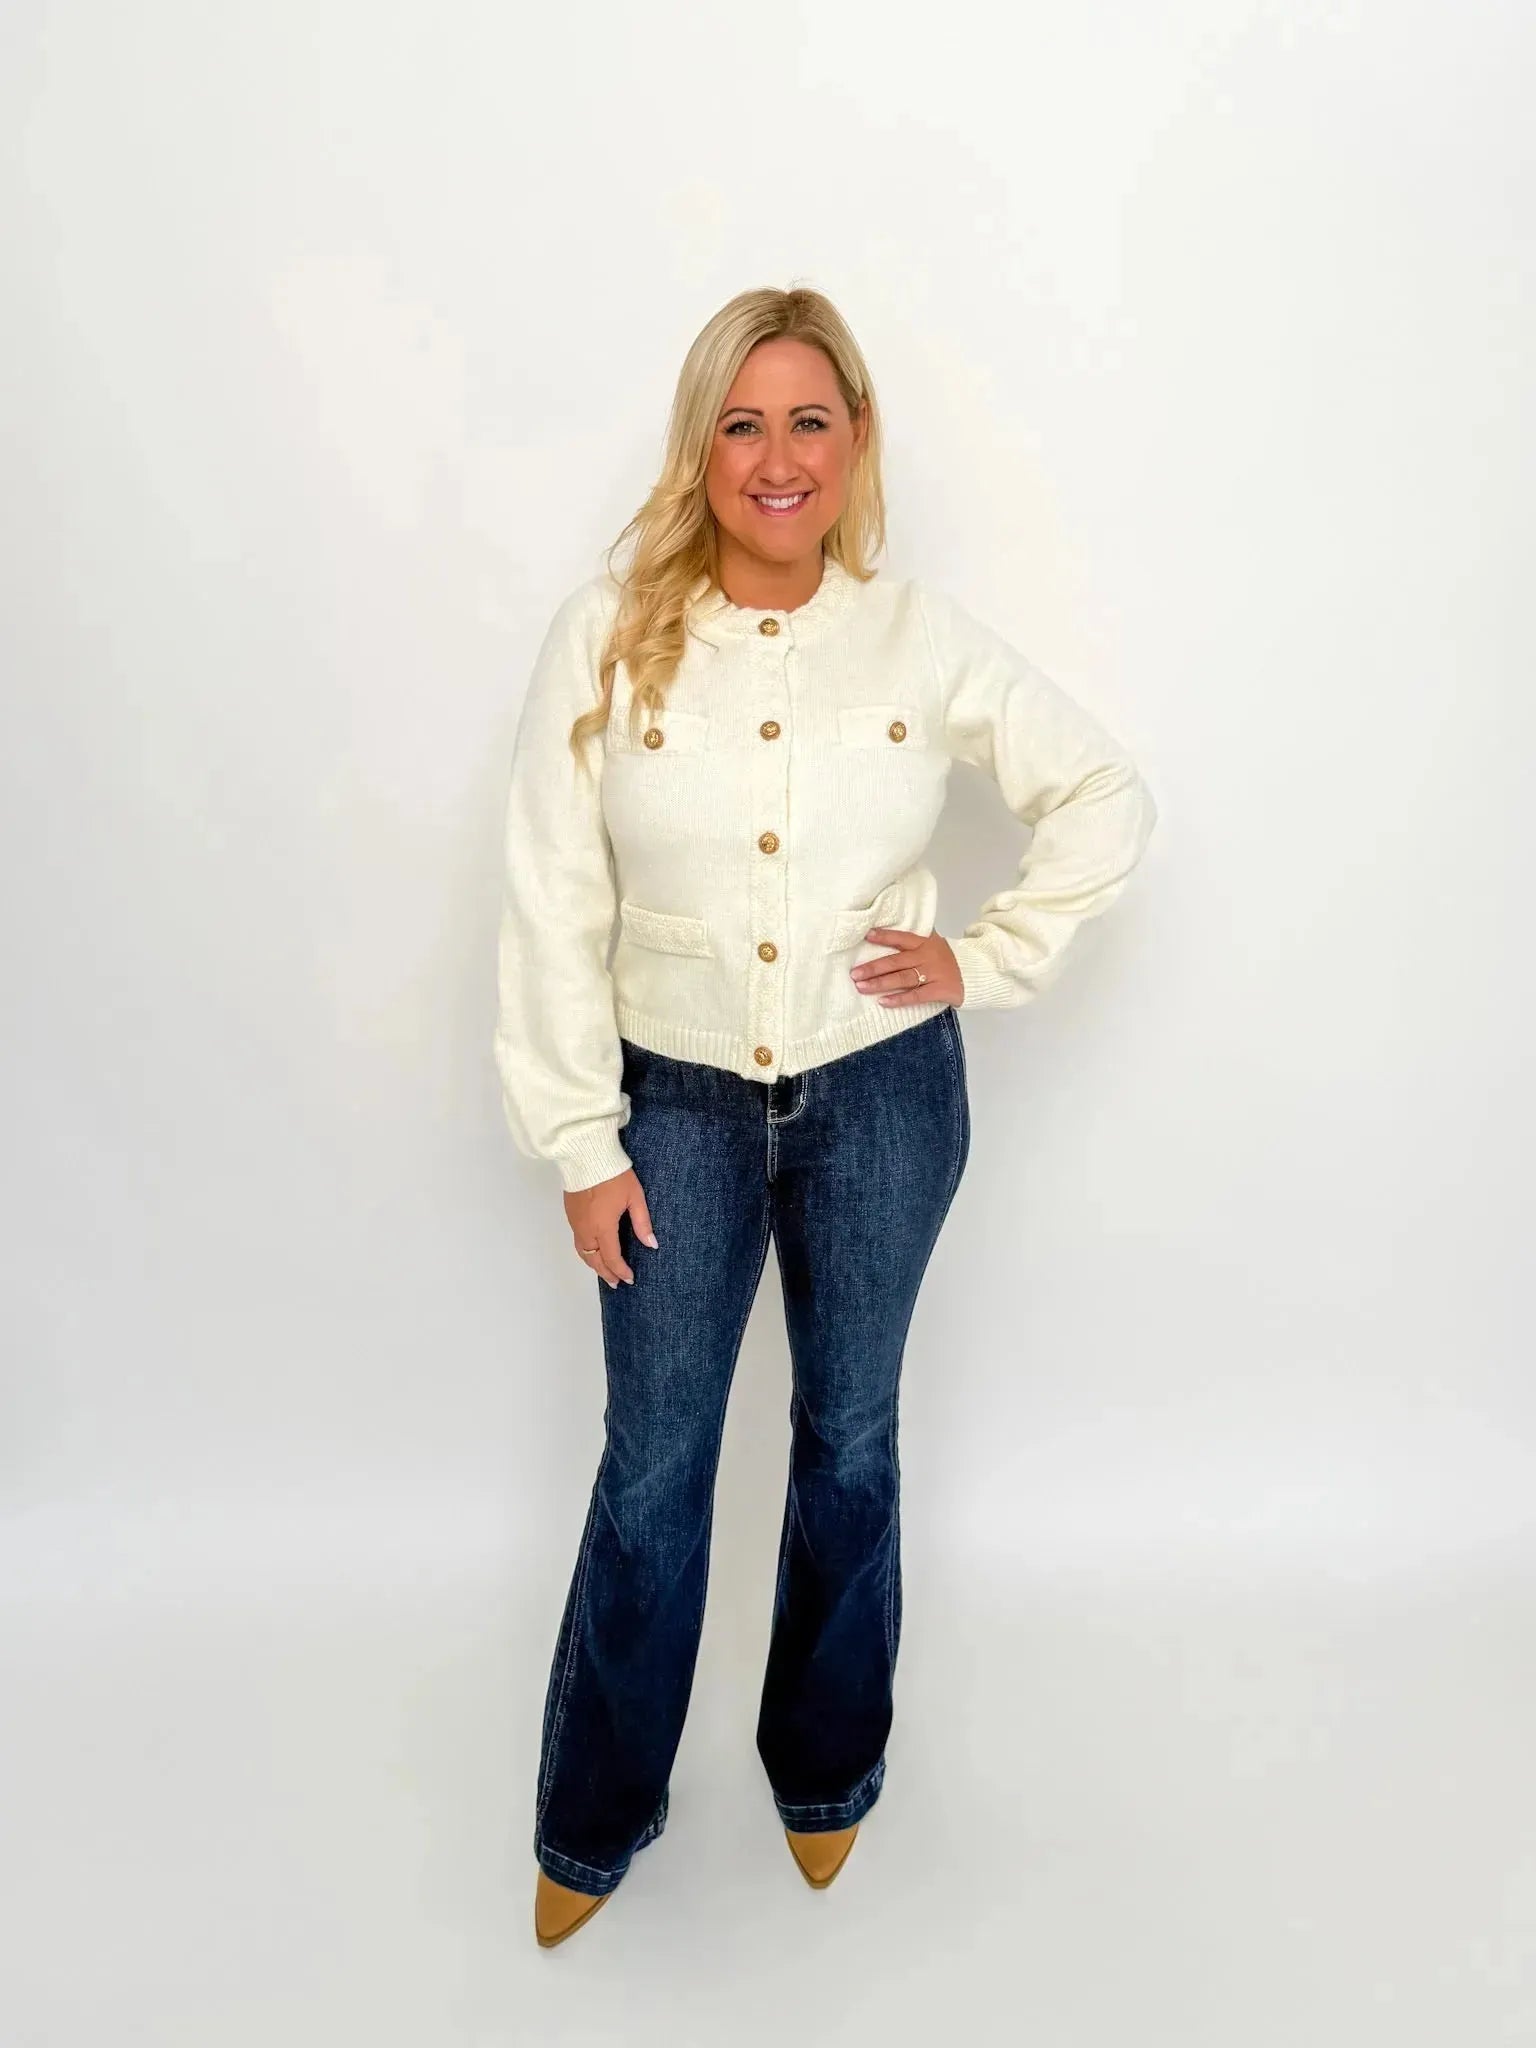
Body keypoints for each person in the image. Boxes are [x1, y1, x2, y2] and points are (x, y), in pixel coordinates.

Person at [492, 285, 1158, 1948]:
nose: (776, 457)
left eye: (808, 420)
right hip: (673, 1104)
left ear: (855, 441)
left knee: (851, 1437)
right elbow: (552, 897)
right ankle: (595, 1816)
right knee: (656, 1463)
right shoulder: (607, 633)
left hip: (882, 1099)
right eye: (742, 423)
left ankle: (825, 1773)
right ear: (700, 446)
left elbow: (1105, 794)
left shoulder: (918, 637)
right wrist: (580, 1139)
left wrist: (983, 960)